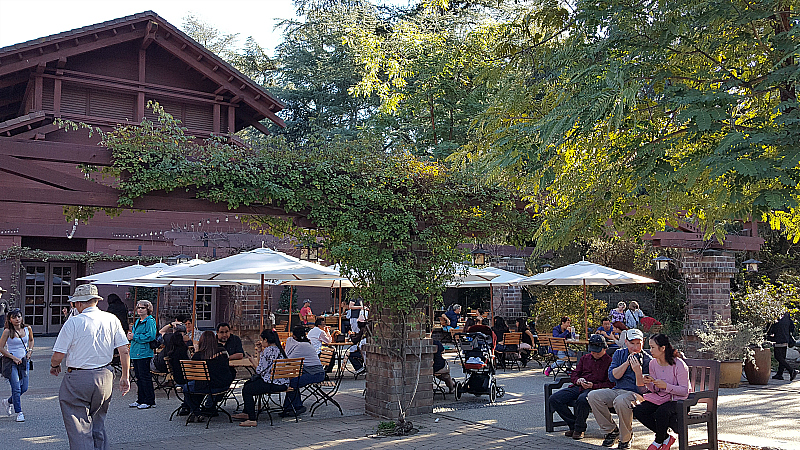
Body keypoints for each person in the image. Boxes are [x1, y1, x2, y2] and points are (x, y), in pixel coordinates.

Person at [50, 284, 130, 450]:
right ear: (96, 301)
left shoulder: (73, 322)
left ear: (78, 303)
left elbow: (58, 354)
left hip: (78, 377)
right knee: (98, 423)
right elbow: (124, 350)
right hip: (105, 375)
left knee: (79, 426)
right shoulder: (111, 319)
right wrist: (125, 376)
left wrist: (54, 365)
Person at [587, 328, 652, 449]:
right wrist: (627, 363)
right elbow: (612, 377)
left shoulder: (648, 360)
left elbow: (645, 389)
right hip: (617, 390)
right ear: (626, 342)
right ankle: (611, 431)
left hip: (636, 394)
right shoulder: (619, 354)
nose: (635, 347)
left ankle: (626, 438)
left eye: (638, 343)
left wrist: (638, 370)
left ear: (643, 342)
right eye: (632, 343)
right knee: (593, 396)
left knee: (621, 401)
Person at [549, 334, 614, 440]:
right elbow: (575, 373)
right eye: (592, 351)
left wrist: (594, 385)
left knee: (582, 400)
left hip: (595, 389)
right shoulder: (585, 358)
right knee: (554, 399)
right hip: (579, 386)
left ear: (605, 349)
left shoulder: (609, 361)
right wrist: (578, 380)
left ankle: (579, 429)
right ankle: (573, 424)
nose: (594, 354)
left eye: (597, 352)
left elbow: (610, 383)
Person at [632, 334, 689, 450]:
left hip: (679, 401)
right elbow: (655, 390)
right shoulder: (653, 363)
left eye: (653, 347)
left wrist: (666, 386)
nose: (650, 350)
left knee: (661, 412)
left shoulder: (679, 364)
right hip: (661, 398)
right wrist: (648, 382)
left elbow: (684, 391)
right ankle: (666, 438)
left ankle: (658, 441)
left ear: (663, 348)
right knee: (638, 410)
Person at [233, 330, 289, 427]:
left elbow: (259, 370)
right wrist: (259, 351)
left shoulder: (268, 351)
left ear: (266, 340)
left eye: (261, 340)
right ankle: (247, 412)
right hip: (282, 383)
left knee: (247, 389)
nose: (261, 342)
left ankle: (252, 419)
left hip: (272, 383)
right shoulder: (279, 350)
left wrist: (251, 360)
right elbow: (262, 366)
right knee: (248, 384)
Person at [184, 330, 234, 423]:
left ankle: (196, 412)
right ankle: (209, 406)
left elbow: (194, 375)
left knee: (187, 387)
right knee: (196, 385)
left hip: (206, 386)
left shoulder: (198, 356)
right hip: (223, 385)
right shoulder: (223, 351)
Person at [282, 326, 325, 416]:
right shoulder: (305, 344)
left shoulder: (302, 346)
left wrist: (289, 342)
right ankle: (294, 405)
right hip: (313, 372)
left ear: (294, 337)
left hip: (315, 374)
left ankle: (293, 407)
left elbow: (289, 359)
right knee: (293, 380)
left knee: (293, 382)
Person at [0, 308, 33, 422]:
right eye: (14, 317)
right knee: (16, 388)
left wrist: (30, 351)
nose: (17, 319)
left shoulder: (27, 328)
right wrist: (13, 357)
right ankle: (19, 412)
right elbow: (1, 347)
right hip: (11, 362)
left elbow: (31, 341)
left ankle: (8, 402)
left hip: (24, 361)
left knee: (24, 387)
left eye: (18, 316)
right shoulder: (7, 331)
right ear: (9, 319)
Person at [127, 300, 157, 409]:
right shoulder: (138, 321)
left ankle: (149, 400)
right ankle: (140, 399)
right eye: (138, 307)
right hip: (135, 352)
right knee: (139, 377)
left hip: (144, 352)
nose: (140, 309)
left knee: (145, 377)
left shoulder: (150, 321)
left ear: (148, 309)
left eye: (142, 308)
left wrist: (134, 337)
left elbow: (151, 336)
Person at [164, 332, 191, 416]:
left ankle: (187, 405)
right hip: (187, 377)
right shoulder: (184, 350)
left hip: (177, 377)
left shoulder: (172, 352)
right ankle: (190, 405)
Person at [767, 311, 797, 381]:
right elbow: (792, 326)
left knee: (778, 356)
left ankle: (791, 370)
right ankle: (779, 374)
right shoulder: (786, 314)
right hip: (786, 337)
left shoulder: (774, 313)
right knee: (782, 357)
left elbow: (771, 326)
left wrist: (768, 334)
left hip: (778, 338)